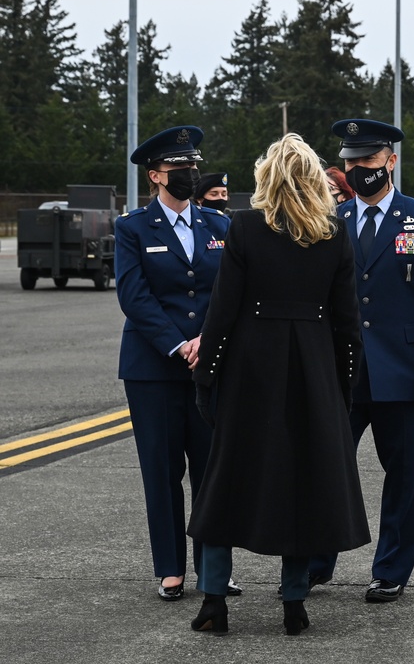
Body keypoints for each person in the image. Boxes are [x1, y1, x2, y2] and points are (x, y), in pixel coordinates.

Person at [187, 133, 370, 635]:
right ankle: (293, 604)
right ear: (313, 180)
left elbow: (221, 314)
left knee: (227, 484)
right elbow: (347, 323)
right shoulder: (333, 233)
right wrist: (342, 384)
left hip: (250, 371)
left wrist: (208, 376)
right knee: (300, 484)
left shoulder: (244, 227)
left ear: (266, 178)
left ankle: (214, 602)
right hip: (312, 372)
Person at [308, 118, 414, 603]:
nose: (359, 170)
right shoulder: (329, 222)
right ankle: (313, 564)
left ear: (390, 161)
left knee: (405, 476)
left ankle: (391, 569)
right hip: (341, 373)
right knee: (324, 469)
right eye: (351, 162)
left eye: (368, 161)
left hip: (407, 374)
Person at [115, 125, 233, 601]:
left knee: (211, 470)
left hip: (211, 364)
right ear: (156, 175)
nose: (188, 174)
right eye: (178, 169)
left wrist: (208, 339)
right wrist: (179, 344)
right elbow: (134, 296)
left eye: (192, 167)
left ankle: (213, 567)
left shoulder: (220, 226)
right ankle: (169, 567)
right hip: (153, 369)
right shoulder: (132, 228)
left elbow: (230, 292)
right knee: (162, 471)